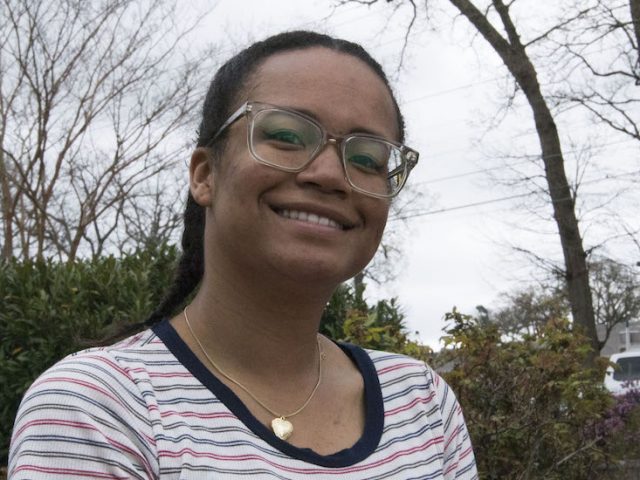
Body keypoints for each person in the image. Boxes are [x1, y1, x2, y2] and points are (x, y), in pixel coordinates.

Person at [9, 31, 477, 479]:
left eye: (368, 159)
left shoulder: (420, 402)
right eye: (288, 137)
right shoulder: (99, 406)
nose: (331, 174)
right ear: (205, 174)